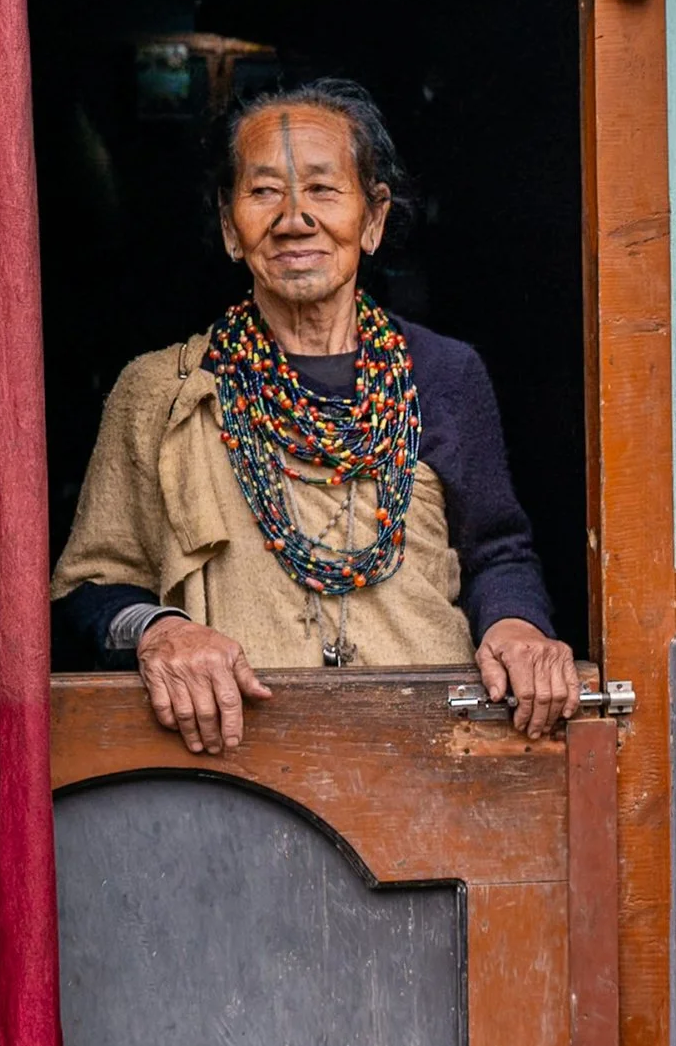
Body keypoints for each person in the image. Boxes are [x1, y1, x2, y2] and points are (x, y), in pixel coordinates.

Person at [51, 78, 578, 753]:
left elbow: (497, 552)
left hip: (428, 751)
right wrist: (163, 631)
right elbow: (91, 586)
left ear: (374, 217)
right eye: (264, 191)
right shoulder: (160, 390)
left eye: (324, 191)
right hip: (234, 759)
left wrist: (516, 626)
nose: (294, 218)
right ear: (228, 226)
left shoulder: (445, 375)